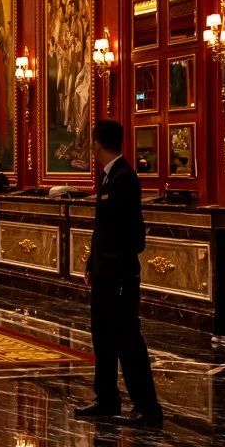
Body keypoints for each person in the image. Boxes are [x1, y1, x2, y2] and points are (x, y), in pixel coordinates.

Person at [76, 119, 163, 426]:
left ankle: (146, 406)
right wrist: (92, 265)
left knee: (127, 338)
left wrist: (111, 267)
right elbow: (103, 230)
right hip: (103, 274)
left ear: (97, 143)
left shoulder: (124, 178)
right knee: (102, 336)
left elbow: (132, 234)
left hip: (119, 276)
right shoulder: (107, 177)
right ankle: (106, 398)